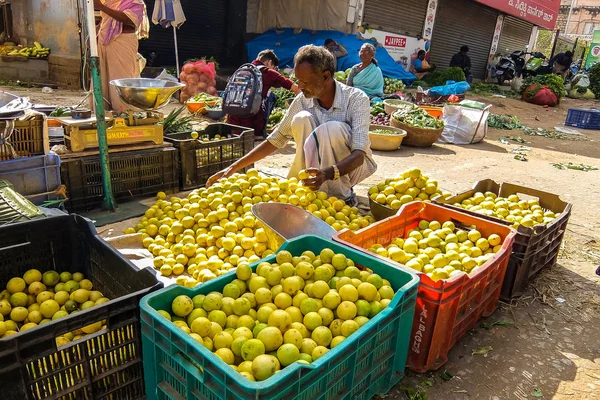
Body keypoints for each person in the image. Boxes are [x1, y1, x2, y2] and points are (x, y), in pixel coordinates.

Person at [207, 45, 377, 206]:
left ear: (325, 76)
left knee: (331, 128)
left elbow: (360, 154)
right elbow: (276, 138)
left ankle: (341, 196)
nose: (300, 86)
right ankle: (311, 187)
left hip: (349, 169)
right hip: (318, 172)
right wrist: (234, 167)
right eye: (298, 81)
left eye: (306, 82)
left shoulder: (356, 99)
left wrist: (327, 173)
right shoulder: (303, 100)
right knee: (301, 118)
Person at [227, 50, 301, 138]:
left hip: (232, 122)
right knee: (271, 96)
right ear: (269, 62)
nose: (274, 70)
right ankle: (259, 134)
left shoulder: (242, 70)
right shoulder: (268, 72)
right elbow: (296, 88)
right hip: (251, 125)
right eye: (273, 67)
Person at [94, 0, 149, 112]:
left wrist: (101, 7)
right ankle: (104, 111)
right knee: (103, 77)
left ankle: (125, 111)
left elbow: (129, 20)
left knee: (121, 78)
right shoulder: (109, 2)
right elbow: (105, 20)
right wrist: (95, 33)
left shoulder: (135, 2)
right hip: (104, 42)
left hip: (123, 42)